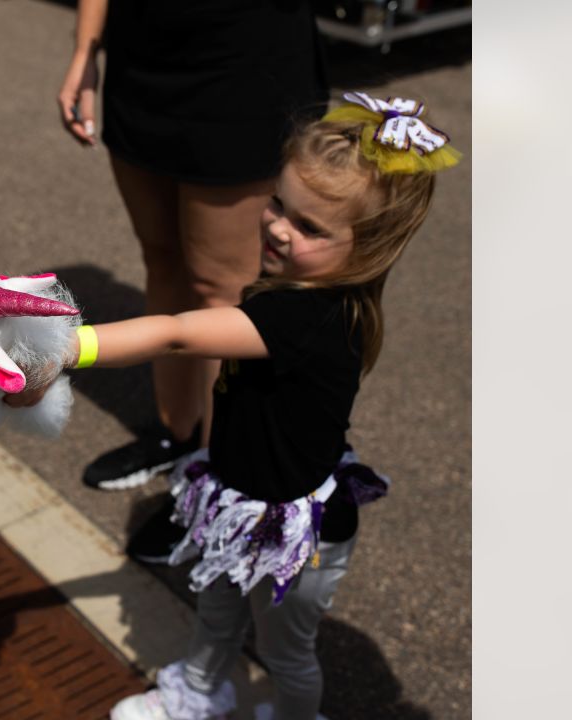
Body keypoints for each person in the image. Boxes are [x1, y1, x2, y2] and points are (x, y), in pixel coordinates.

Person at [61, 97, 459, 720]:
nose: (278, 227)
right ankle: (197, 694)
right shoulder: (297, 289)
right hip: (239, 498)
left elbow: (175, 333)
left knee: (286, 654)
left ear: (368, 249)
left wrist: (66, 346)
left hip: (297, 534)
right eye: (278, 203)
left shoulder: (306, 318)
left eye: (310, 228)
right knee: (217, 614)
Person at [56, 0, 329, 562]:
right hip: (143, 60)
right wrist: (87, 49)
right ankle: (176, 435)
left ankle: (217, 484)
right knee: (162, 258)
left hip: (242, 62)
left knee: (221, 291)